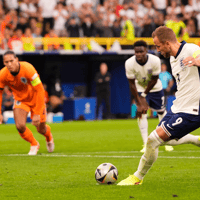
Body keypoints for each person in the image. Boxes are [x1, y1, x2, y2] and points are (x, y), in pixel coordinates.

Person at [117, 26, 200, 186]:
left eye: (158, 46)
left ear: (167, 43)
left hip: (193, 110)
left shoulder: (191, 48)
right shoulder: (172, 59)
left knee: (153, 139)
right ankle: (196, 140)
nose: (157, 49)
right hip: (178, 107)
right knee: (166, 140)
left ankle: (137, 177)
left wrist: (196, 61)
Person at [0, 51, 54, 155]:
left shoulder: (28, 69)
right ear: (4, 63)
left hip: (36, 99)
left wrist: (37, 113)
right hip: (21, 100)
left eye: (11, 61)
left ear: (16, 60)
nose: (10, 64)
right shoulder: (3, 74)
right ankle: (34, 144)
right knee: (20, 126)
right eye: (6, 62)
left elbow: (40, 90)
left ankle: (48, 137)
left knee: (41, 129)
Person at [124, 40, 173, 153]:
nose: (139, 54)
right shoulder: (129, 63)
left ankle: (165, 141)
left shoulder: (155, 60)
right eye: (136, 52)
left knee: (161, 112)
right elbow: (131, 83)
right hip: (140, 88)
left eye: (141, 51)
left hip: (155, 88)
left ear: (146, 50)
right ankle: (146, 143)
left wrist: (144, 95)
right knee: (141, 113)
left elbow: (154, 79)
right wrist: (139, 100)